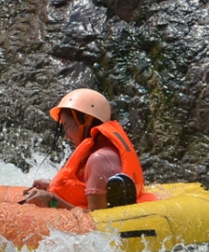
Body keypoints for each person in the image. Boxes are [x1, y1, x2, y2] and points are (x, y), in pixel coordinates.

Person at [20, 88, 150, 211]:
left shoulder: (100, 159)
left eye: (67, 126)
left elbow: (98, 218)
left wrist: (52, 200)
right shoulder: (104, 152)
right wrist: (52, 186)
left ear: (86, 120)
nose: (66, 136)